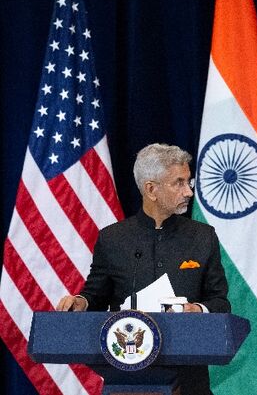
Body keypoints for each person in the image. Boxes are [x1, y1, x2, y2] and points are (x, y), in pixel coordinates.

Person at [56, 143, 230, 395]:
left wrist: (199, 309)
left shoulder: (202, 237)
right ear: (151, 189)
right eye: (178, 183)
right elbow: (95, 296)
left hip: (189, 381)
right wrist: (80, 302)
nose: (188, 192)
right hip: (127, 379)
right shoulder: (112, 238)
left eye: (188, 182)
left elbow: (220, 302)